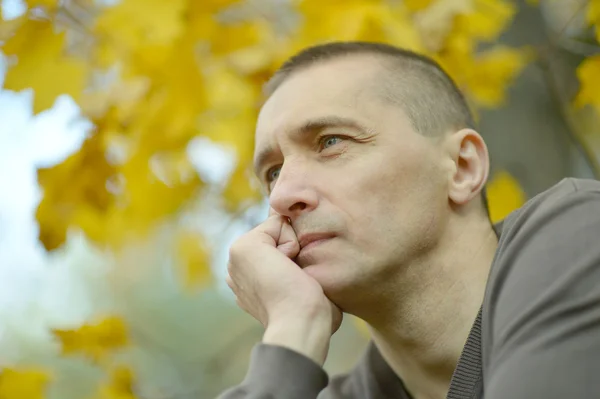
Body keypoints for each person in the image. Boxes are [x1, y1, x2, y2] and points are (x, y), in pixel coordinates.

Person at [218, 41, 600, 399]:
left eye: (331, 141)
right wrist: (292, 330)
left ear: (462, 167)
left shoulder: (579, 234)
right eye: (272, 173)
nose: (283, 195)